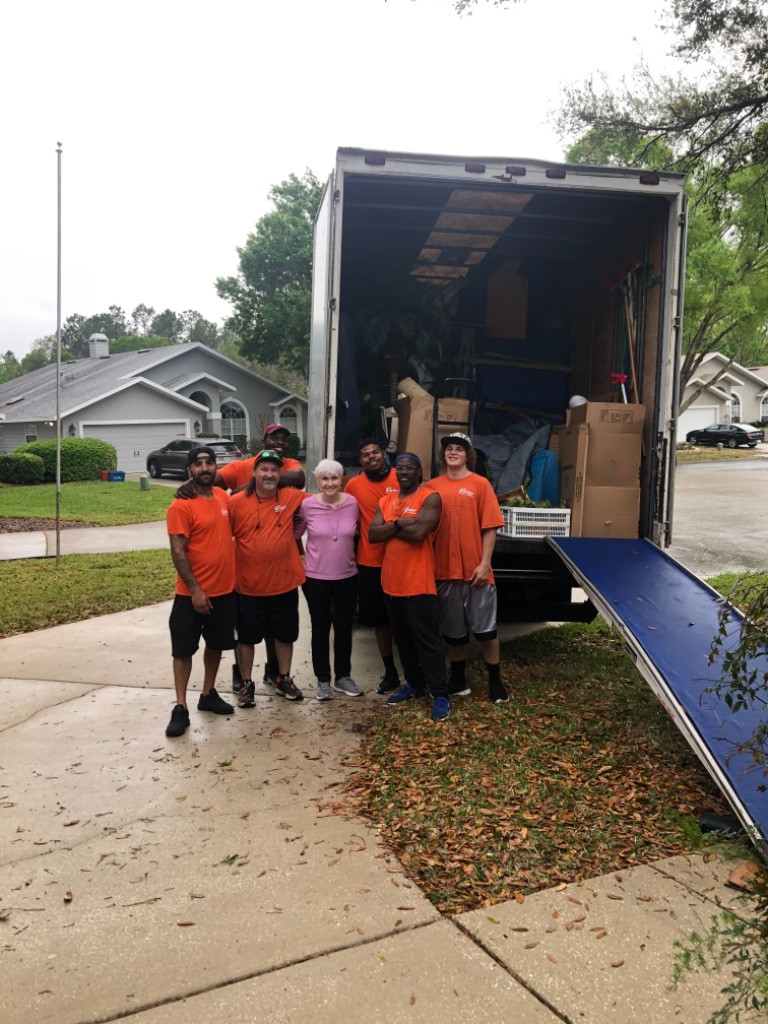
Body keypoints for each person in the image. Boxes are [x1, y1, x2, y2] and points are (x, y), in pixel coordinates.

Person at [220, 423, 305, 693]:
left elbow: (325, 504)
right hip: (247, 585)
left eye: (274, 470)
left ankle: (283, 677)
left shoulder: (293, 497)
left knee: (285, 635)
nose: (269, 474)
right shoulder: (235, 503)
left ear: (280, 474)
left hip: (284, 583)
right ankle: (245, 682)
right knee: (246, 638)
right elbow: (219, 533)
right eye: (263, 469)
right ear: (253, 472)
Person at [427, 432, 509, 705]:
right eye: (449, 448)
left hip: (476, 572)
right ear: (444, 454)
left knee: (486, 631)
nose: (453, 452)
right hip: (444, 571)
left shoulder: (480, 485)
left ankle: (495, 680)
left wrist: (485, 564)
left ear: (467, 455)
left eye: (459, 449)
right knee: (454, 632)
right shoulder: (432, 486)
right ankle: (458, 680)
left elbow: (490, 527)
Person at [369, 452, 450, 722]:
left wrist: (390, 528)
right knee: (402, 640)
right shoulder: (386, 500)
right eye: (399, 469)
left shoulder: (430, 497)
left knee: (428, 641)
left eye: (409, 469)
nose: (403, 473)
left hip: (419, 583)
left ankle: (440, 694)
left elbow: (418, 534)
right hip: (391, 584)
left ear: (419, 472)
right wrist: (399, 523)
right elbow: (372, 535)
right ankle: (414, 684)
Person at [164, 445, 237, 737]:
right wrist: (196, 590)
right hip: (190, 594)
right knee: (183, 651)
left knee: (216, 644)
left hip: (224, 591)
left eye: (209, 463)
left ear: (216, 467)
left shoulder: (222, 497)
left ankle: (207, 694)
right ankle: (180, 706)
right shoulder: (180, 506)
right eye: (198, 464)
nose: (204, 468)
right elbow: (178, 552)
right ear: (189, 471)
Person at [296, 459, 362, 700]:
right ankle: (323, 680)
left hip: (347, 575)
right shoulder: (307, 506)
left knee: (344, 627)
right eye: (325, 479)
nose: (330, 483)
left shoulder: (353, 503)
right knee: (320, 628)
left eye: (335, 478)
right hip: (315, 577)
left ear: (342, 479)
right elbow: (295, 534)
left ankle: (343, 677)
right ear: (318, 481)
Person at [343, 438, 402, 694]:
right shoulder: (354, 485)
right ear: (360, 461)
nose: (371, 457)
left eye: (375, 452)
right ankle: (390, 673)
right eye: (365, 455)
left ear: (383, 454)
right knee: (380, 621)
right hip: (370, 562)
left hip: (402, 561)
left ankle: (415, 671)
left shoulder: (401, 478)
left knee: (405, 619)